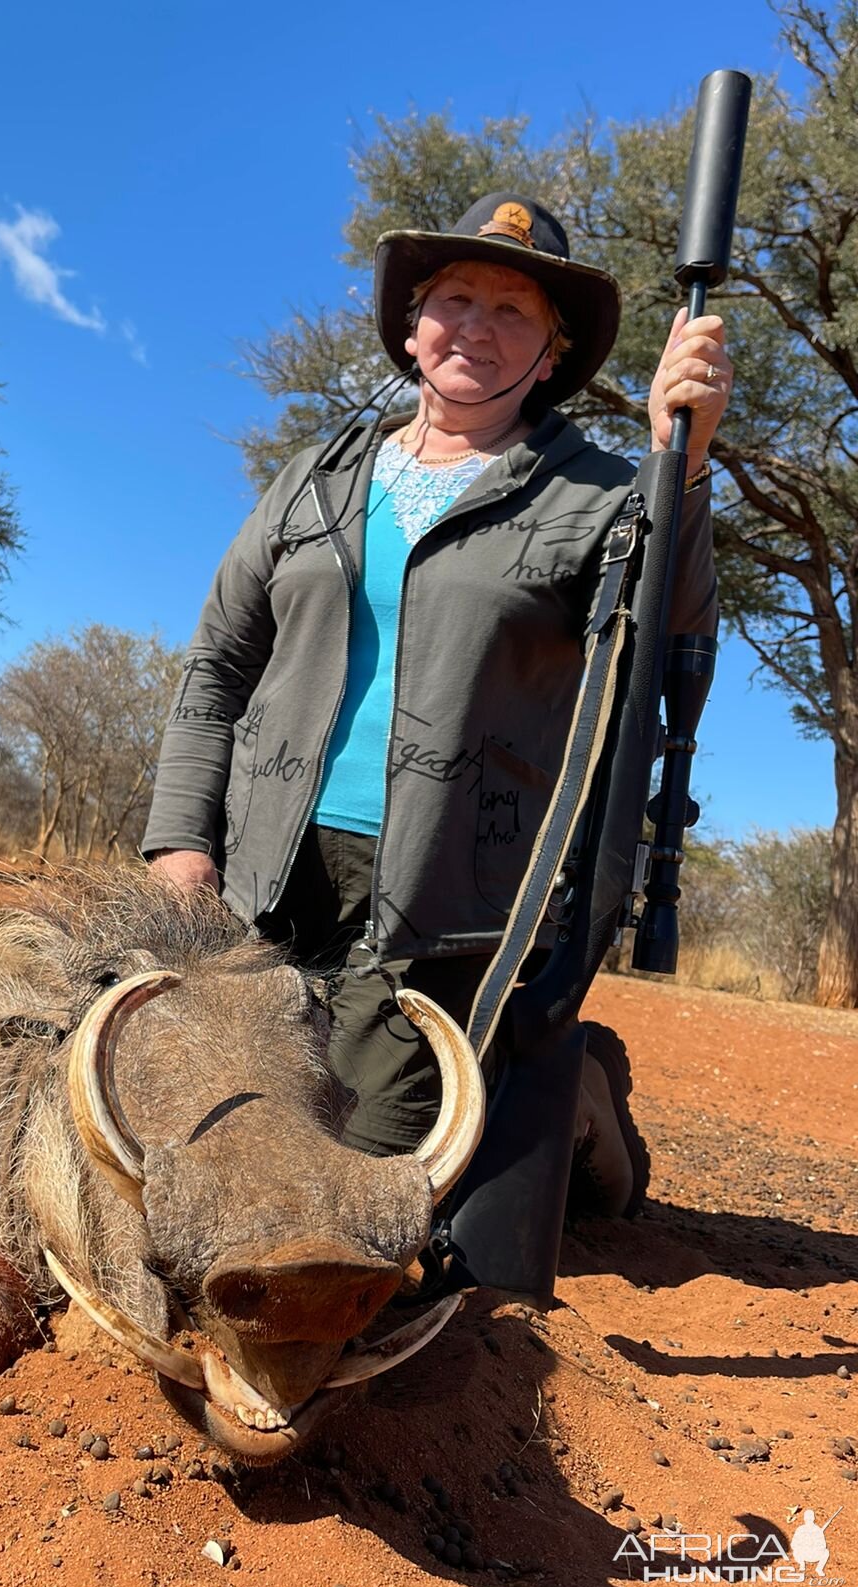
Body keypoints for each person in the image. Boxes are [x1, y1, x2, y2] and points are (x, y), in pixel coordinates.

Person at [142, 192, 730, 1217]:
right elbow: (218, 667)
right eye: (455, 298)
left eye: (514, 313)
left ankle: (567, 1085)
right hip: (263, 871)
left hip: (446, 902)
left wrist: (685, 457)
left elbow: (668, 650)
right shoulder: (312, 482)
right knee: (195, 1135)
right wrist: (180, 842)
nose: (476, 327)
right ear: (412, 326)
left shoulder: (601, 495)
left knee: (358, 1194)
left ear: (551, 357)